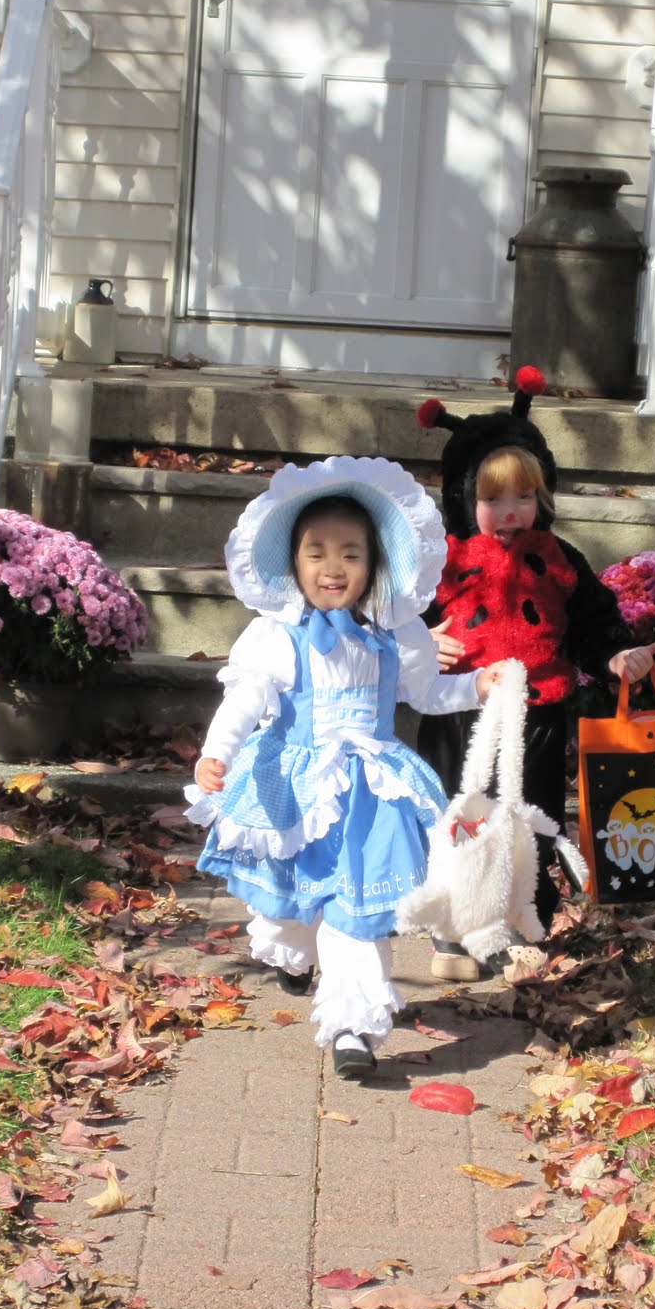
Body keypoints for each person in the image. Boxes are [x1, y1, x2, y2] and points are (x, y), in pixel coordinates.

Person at [186, 456, 501, 1081]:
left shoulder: (398, 634)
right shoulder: (277, 637)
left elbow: (426, 695)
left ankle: (352, 1025)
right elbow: (245, 698)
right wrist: (217, 751)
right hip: (293, 784)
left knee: (355, 906)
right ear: (293, 563)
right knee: (291, 900)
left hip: (373, 792)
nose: (333, 568)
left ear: (375, 565)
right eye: (317, 553)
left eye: (351, 554)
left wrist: (475, 687)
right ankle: (294, 954)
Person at [415, 366, 655, 981]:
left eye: (523, 498)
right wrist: (419, 644)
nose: (510, 513)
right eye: (492, 499)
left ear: (543, 496)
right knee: (463, 815)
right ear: (464, 497)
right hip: (462, 711)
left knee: (530, 817)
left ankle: (522, 921)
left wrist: (615, 658)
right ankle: (454, 929)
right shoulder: (440, 563)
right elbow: (395, 623)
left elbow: (593, 622)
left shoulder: (560, 559)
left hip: (541, 713)